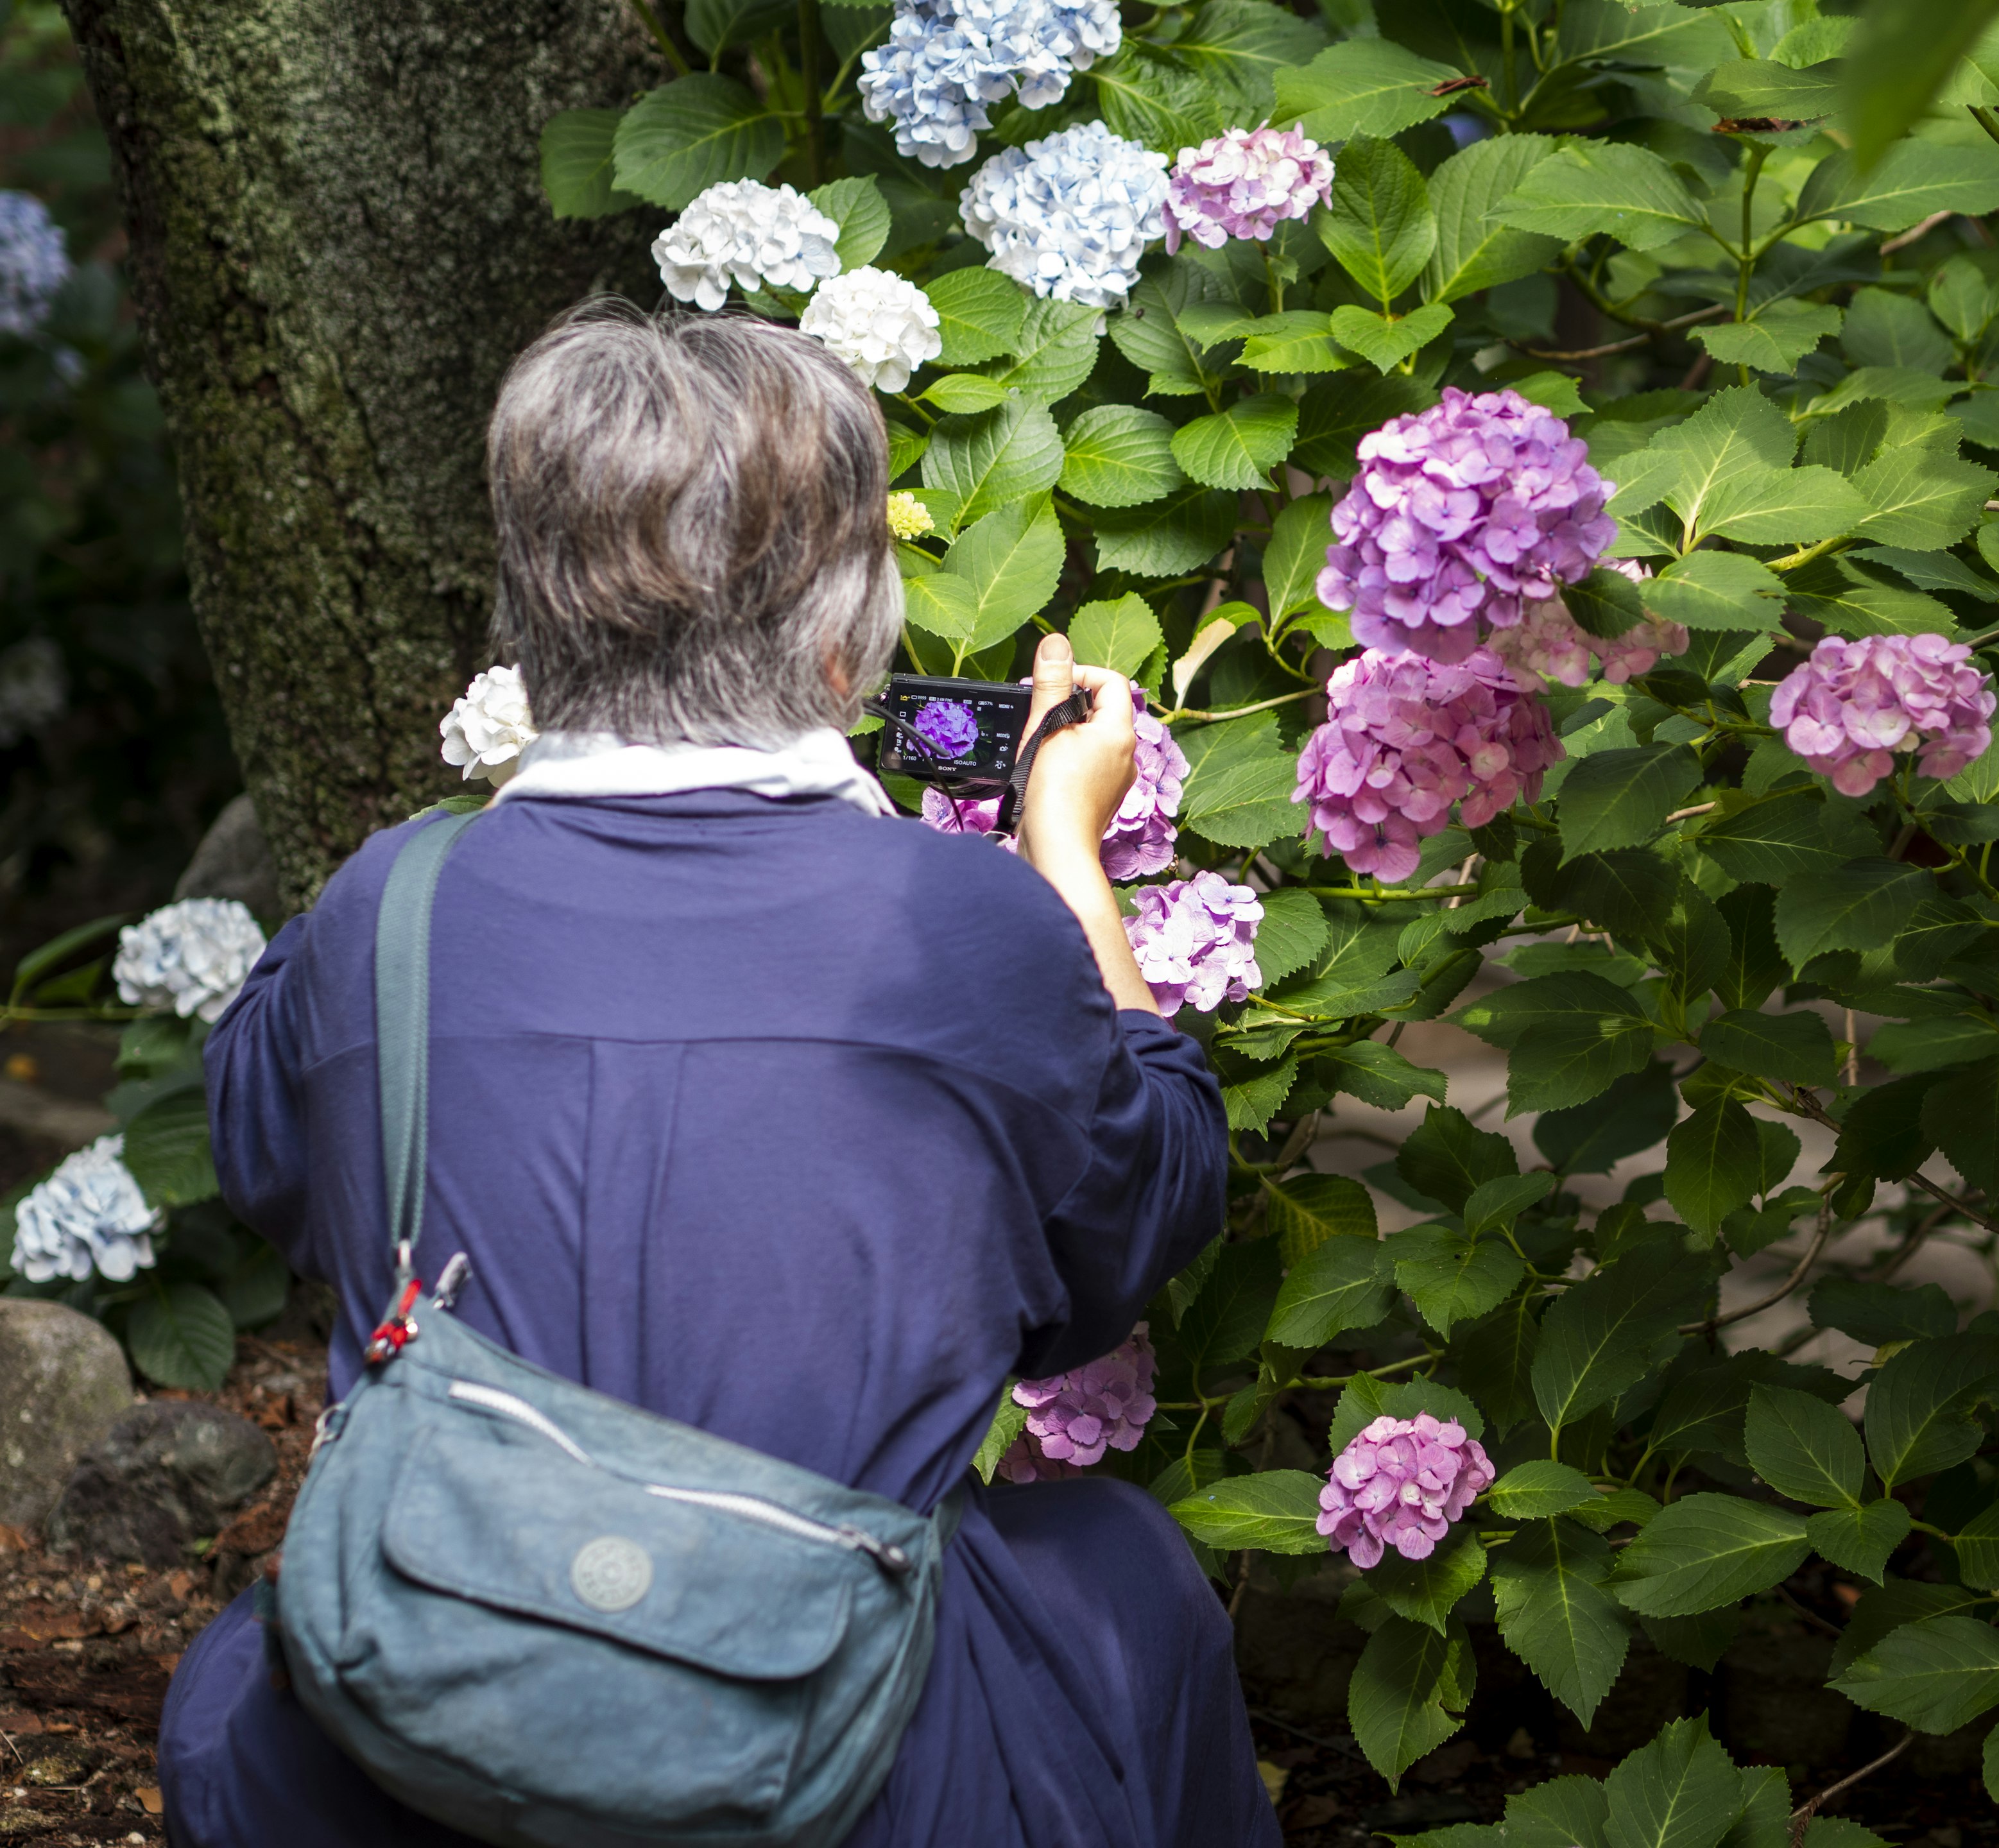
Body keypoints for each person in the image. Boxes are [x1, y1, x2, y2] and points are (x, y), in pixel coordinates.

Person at [157, 300, 1276, 1848]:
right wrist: (1065, 856)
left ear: (530, 609)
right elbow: (1129, 1242)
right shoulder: (966, 928)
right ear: (842, 637)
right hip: (853, 1758)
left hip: (427, 1726)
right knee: (1125, 1573)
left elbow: (263, 1156)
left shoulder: (387, 913)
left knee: (231, 1682)